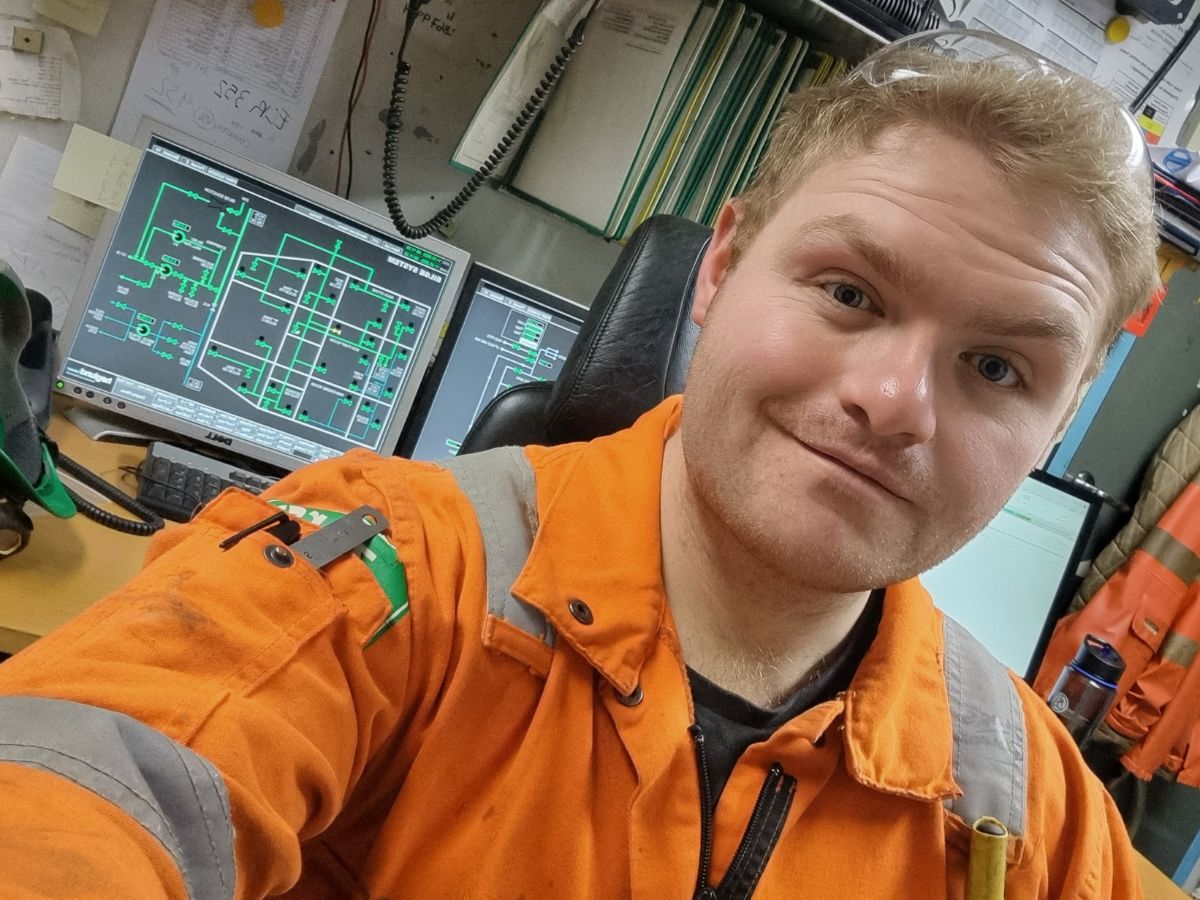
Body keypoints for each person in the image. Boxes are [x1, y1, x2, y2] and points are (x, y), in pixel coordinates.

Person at [0, 31, 1159, 899]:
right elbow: (87, 784)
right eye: (850, 293)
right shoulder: (385, 573)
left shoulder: (1027, 808)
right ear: (722, 268)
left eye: (999, 369)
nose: (896, 402)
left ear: (1056, 425)